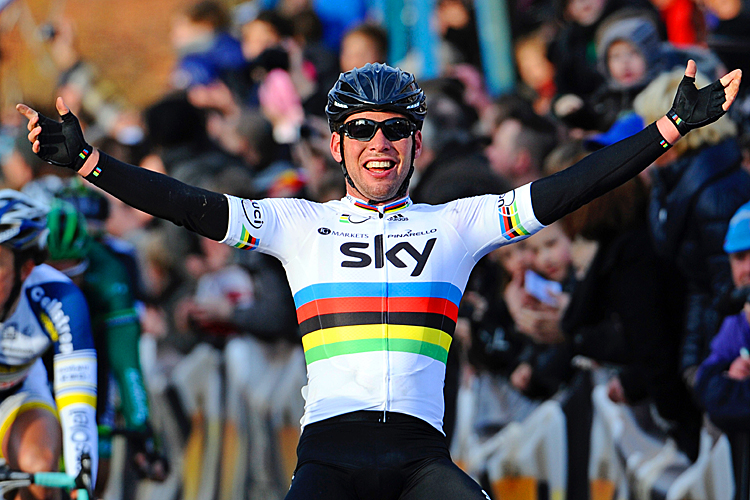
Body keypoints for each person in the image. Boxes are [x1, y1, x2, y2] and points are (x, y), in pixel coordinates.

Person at [17, 60, 741, 499]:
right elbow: (188, 205)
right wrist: (90, 165)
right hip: (329, 458)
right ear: (335, 144)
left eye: (395, 129)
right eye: (361, 130)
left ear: (417, 142)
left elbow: (566, 189)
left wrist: (668, 130)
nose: (379, 143)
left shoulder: (454, 225)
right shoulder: (299, 224)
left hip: (421, 461)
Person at [44, 200, 165, 492]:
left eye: (72, 274)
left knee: (93, 480)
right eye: (53, 273)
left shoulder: (110, 273)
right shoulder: (24, 272)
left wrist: (143, 432)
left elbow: (127, 365)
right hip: (41, 356)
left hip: (94, 359)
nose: (63, 284)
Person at [0, 190, 98, 500]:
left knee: (39, 471)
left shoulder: (60, 298)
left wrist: (82, 485)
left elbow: (78, 409)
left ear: (25, 269)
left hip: (18, 396)